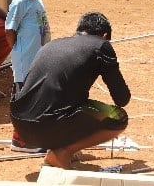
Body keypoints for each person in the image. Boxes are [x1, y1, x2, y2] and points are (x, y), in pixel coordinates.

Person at [9, 11, 131, 170]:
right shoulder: (101, 45)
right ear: (105, 35)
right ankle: (62, 152)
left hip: (21, 126)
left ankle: (61, 148)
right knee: (119, 118)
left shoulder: (52, 45)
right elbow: (122, 98)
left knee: (72, 104)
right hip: (47, 125)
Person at [5, 0, 51, 153]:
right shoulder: (19, 3)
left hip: (38, 59)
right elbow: (9, 30)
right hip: (25, 61)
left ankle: (33, 135)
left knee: (37, 98)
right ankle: (21, 139)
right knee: (24, 99)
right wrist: (18, 50)